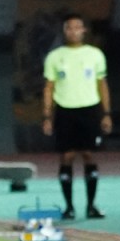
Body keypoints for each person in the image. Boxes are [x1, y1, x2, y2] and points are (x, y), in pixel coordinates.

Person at [42, 13, 111, 220]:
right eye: (69, 28)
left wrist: (106, 113)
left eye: (77, 27)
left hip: (89, 109)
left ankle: (91, 206)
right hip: (65, 110)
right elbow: (49, 87)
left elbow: (102, 85)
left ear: (84, 30)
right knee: (67, 156)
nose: (73, 31)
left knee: (89, 154)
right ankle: (69, 207)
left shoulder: (95, 54)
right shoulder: (55, 56)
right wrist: (47, 116)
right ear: (65, 31)